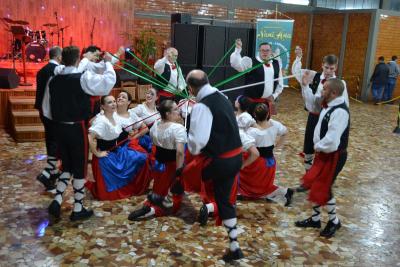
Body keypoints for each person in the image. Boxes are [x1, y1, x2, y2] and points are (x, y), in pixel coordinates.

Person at [47, 46, 116, 221]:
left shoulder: (53, 79)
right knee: (79, 166)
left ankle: (57, 199)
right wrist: (108, 64)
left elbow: (47, 108)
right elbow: (107, 83)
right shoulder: (82, 78)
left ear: (63, 58)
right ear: (78, 59)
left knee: (67, 164)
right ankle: (78, 209)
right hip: (76, 127)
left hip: (58, 127)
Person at [185, 70, 244, 262]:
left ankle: (178, 197)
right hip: (236, 157)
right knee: (225, 201)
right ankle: (234, 246)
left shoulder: (202, 107)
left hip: (221, 161)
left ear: (191, 89)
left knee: (184, 175)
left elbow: (196, 145)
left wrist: (187, 135)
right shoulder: (221, 95)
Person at [295, 78, 350, 239]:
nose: (321, 91)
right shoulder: (329, 104)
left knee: (324, 187)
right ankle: (316, 218)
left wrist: (317, 146)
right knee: (314, 183)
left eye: (324, 89)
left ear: (334, 93)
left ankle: (334, 221)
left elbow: (332, 141)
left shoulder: (339, 111)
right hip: (324, 154)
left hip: (333, 155)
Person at [292, 48, 349, 176]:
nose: (328, 71)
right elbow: (296, 73)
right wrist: (298, 58)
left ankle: (322, 173)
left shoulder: (341, 84)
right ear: (322, 65)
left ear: (336, 68)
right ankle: (308, 173)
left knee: (325, 146)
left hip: (329, 120)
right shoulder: (314, 76)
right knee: (309, 146)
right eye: (326, 68)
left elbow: (345, 104)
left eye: (332, 69)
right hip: (313, 116)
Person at [128, 100, 187, 220]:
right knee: (172, 197)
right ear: (167, 114)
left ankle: (151, 204)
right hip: (172, 165)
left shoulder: (155, 124)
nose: (179, 111)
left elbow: (154, 143)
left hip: (159, 164)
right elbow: (180, 152)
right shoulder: (178, 128)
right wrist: (179, 170)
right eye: (175, 109)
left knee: (159, 188)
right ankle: (153, 210)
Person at [86, 95, 150, 201]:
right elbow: (90, 136)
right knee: (107, 195)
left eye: (114, 101)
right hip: (105, 155)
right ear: (103, 106)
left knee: (141, 157)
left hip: (116, 151)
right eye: (110, 102)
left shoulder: (115, 117)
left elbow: (124, 127)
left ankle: (135, 186)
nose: (114, 104)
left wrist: (130, 133)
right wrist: (97, 154)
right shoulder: (101, 120)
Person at [238, 103, 294, 205]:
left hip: (257, 163)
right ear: (268, 113)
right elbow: (285, 132)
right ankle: (283, 191)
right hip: (270, 161)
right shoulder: (274, 124)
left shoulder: (252, 131)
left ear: (254, 115)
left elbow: (247, 148)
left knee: (251, 183)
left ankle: (243, 192)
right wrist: (278, 146)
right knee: (264, 186)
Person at [230, 39, 283, 116]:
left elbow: (280, 83)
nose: (265, 52)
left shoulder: (276, 64)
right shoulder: (251, 62)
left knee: (264, 125)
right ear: (259, 51)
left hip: (266, 104)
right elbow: (237, 66)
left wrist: (274, 95)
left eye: (267, 50)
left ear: (271, 52)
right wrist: (238, 50)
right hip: (251, 104)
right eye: (263, 50)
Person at [35, 46, 62, 191]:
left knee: (50, 140)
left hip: (42, 109)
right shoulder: (57, 71)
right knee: (55, 143)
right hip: (52, 112)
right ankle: (48, 173)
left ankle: (52, 173)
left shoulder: (41, 70)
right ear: (58, 57)